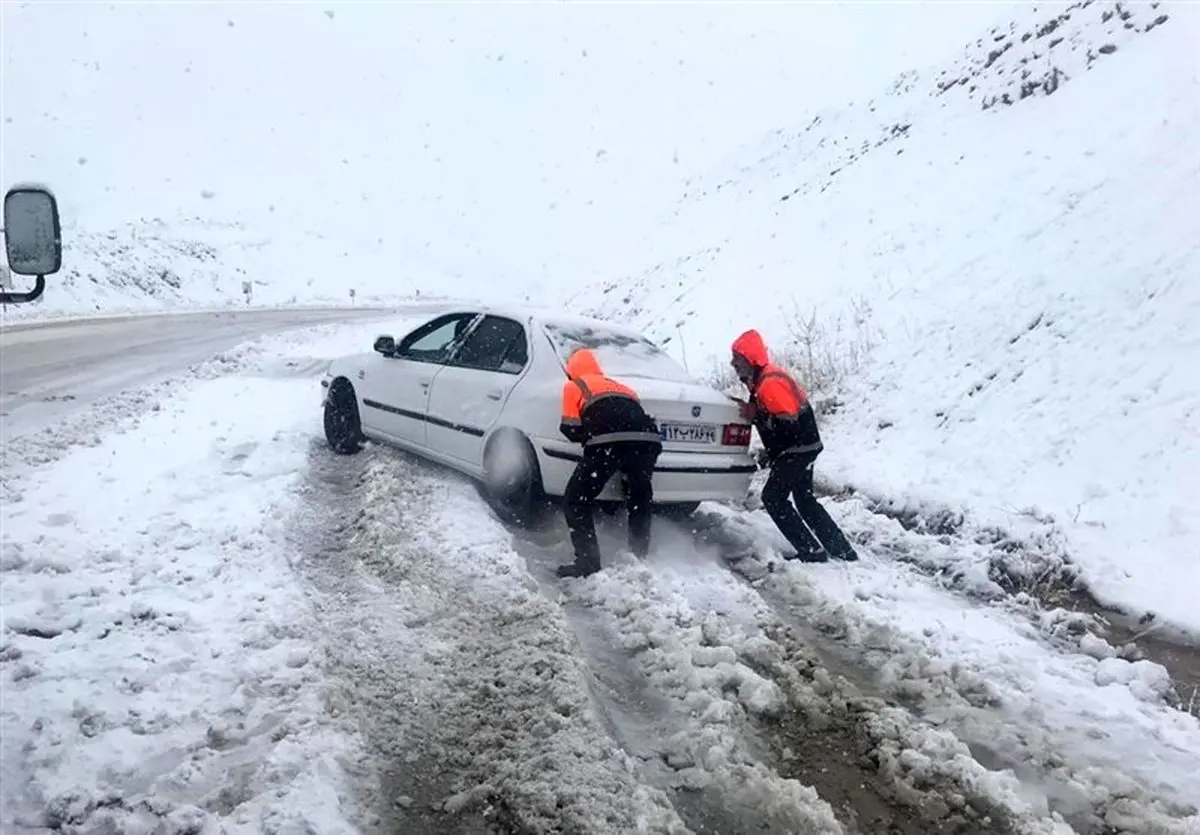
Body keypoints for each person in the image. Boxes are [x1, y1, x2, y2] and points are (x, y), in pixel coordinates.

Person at [730, 329, 859, 563]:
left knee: (773, 498)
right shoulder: (761, 379)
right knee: (804, 499)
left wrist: (755, 414)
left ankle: (812, 551)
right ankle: (841, 550)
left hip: (797, 449)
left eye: (737, 359)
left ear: (750, 359)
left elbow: (788, 424)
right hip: (805, 447)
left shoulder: (768, 383)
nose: (733, 364)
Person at [557, 347, 663, 578]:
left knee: (576, 500)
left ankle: (588, 563)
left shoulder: (574, 386)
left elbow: (570, 428)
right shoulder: (623, 387)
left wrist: (590, 434)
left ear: (572, 370)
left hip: (609, 443)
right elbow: (632, 419)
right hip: (648, 443)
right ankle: (639, 556)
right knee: (639, 496)